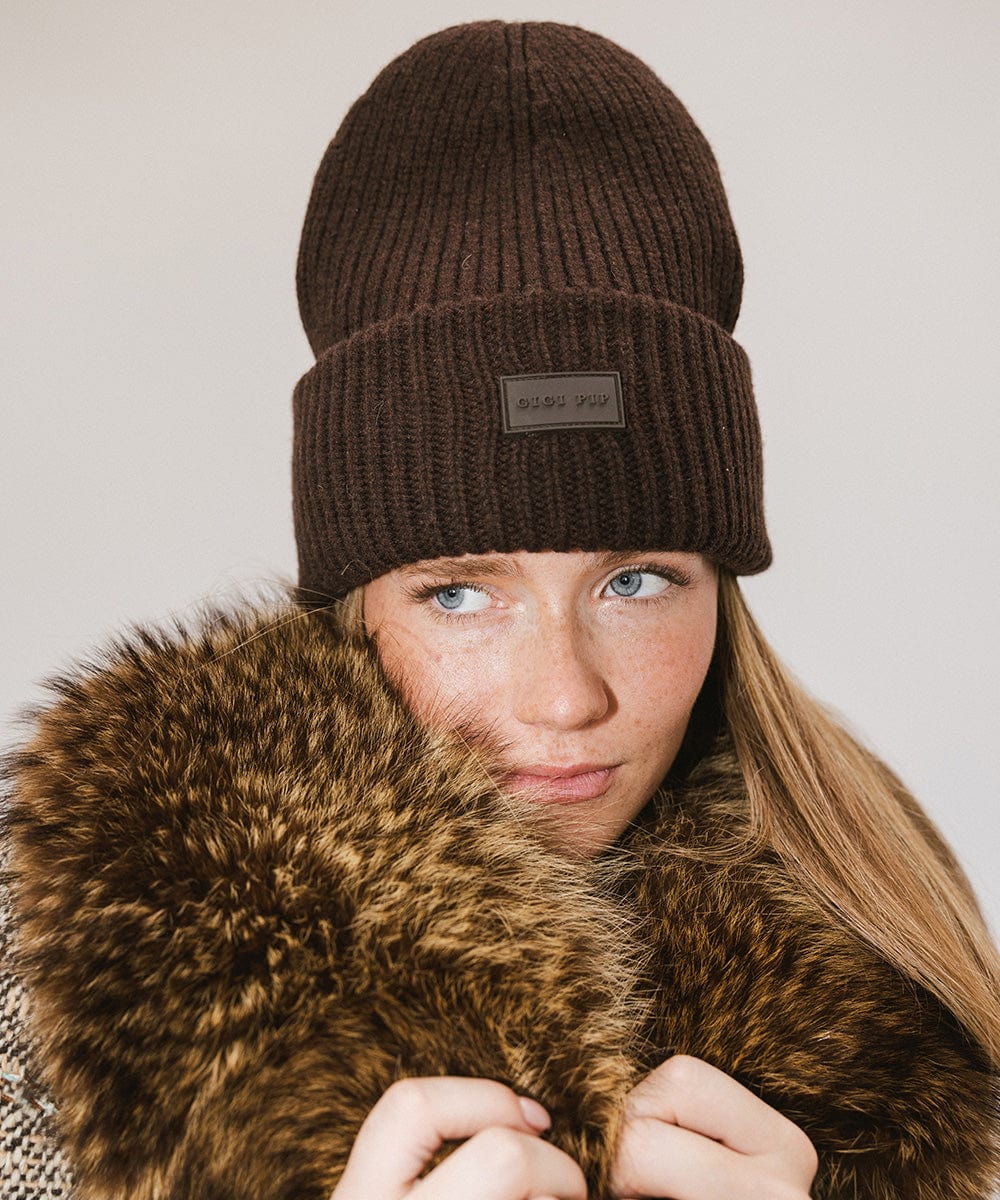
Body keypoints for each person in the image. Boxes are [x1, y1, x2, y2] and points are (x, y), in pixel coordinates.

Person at [2, 17, 998, 1200]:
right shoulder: (78, 979)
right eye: (462, 593)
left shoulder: (898, 954)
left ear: (719, 591)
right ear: (354, 608)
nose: (567, 695)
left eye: (635, 582)